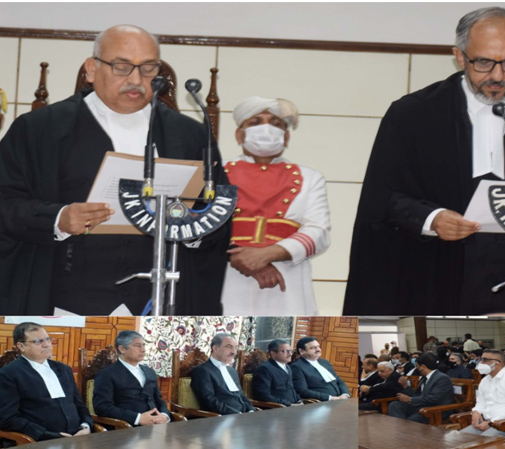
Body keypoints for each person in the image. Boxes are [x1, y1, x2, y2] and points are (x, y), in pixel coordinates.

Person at [344, 6, 505, 315]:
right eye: (484, 62)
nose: (497, 76)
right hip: (439, 274)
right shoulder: (412, 114)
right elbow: (382, 198)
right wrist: (431, 219)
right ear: (460, 56)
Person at [0, 25, 228, 315]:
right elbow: (6, 201)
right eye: (122, 67)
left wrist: (194, 227)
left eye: (148, 69)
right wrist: (58, 218)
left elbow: (218, 206)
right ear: (92, 69)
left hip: (162, 297)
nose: (135, 80)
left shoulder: (190, 135)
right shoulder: (40, 129)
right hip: (65, 295)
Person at [220, 97, 330, 315]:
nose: (266, 128)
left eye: (276, 123)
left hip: (287, 274)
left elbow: (319, 232)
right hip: (227, 273)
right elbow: (201, 226)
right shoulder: (215, 173)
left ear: (286, 136)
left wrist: (268, 254)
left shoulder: (310, 177)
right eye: (255, 122)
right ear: (238, 134)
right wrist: (241, 258)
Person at [0, 322, 92, 440]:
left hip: (78, 438)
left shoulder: (64, 369)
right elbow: (7, 419)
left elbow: (79, 405)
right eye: (38, 342)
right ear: (21, 346)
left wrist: (86, 425)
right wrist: (47, 435)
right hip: (39, 441)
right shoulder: (8, 374)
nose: (46, 345)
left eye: (47, 339)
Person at [92, 330, 170, 425]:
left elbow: (159, 400)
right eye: (137, 345)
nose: (143, 350)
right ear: (122, 349)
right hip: (125, 427)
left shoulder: (149, 372)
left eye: (144, 345)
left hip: (156, 425)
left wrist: (163, 415)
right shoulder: (106, 374)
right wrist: (138, 418)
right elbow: (102, 407)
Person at [460, 350, 505, 436]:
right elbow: (481, 401)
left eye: (485, 360)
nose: (481, 362)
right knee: (460, 438)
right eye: (481, 359)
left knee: (482, 442)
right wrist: (476, 411)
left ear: (497, 363)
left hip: (504, 423)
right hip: (485, 420)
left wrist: (491, 423)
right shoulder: (485, 380)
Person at [190, 333, 254, 414]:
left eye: (235, 347)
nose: (234, 352)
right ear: (215, 348)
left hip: (242, 416)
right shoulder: (202, 371)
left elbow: (241, 396)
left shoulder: (232, 371)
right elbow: (209, 401)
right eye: (229, 347)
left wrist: (251, 410)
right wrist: (236, 414)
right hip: (221, 418)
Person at [388, 352, 454, 423]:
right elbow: (417, 394)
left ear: (422, 366)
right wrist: (405, 386)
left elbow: (434, 399)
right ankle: (403, 427)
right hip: (421, 405)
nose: (417, 369)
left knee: (410, 421)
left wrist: (410, 399)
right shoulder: (424, 377)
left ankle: (403, 428)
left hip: (435, 409)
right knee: (394, 405)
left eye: (417, 366)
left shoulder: (442, 378)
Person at [291, 337, 350, 401]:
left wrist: (345, 394)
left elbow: (339, 381)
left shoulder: (325, 362)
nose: (318, 349)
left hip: (339, 401)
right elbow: (302, 391)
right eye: (313, 348)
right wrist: (330, 398)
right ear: (301, 351)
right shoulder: (297, 366)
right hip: (319, 403)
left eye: (318, 346)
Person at [252, 339, 303, 406]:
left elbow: (291, 389)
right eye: (285, 351)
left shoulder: (288, 367)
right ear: (273, 353)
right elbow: (263, 395)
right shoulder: (264, 369)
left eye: (291, 351)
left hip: (293, 407)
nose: (290, 354)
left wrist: (299, 400)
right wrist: (288, 404)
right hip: (276, 408)